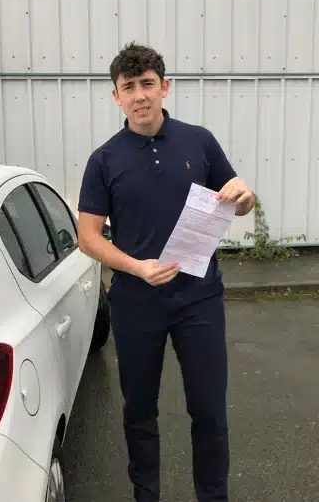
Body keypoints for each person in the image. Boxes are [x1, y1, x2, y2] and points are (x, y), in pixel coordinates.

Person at [77, 42, 255, 502]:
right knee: (139, 411)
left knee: (209, 411)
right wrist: (136, 266)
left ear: (165, 87)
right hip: (136, 302)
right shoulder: (103, 160)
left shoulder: (199, 141)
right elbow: (88, 238)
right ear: (116, 96)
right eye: (129, 87)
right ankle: (146, 495)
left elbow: (236, 203)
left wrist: (245, 197)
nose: (140, 95)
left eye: (148, 84)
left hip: (199, 299)